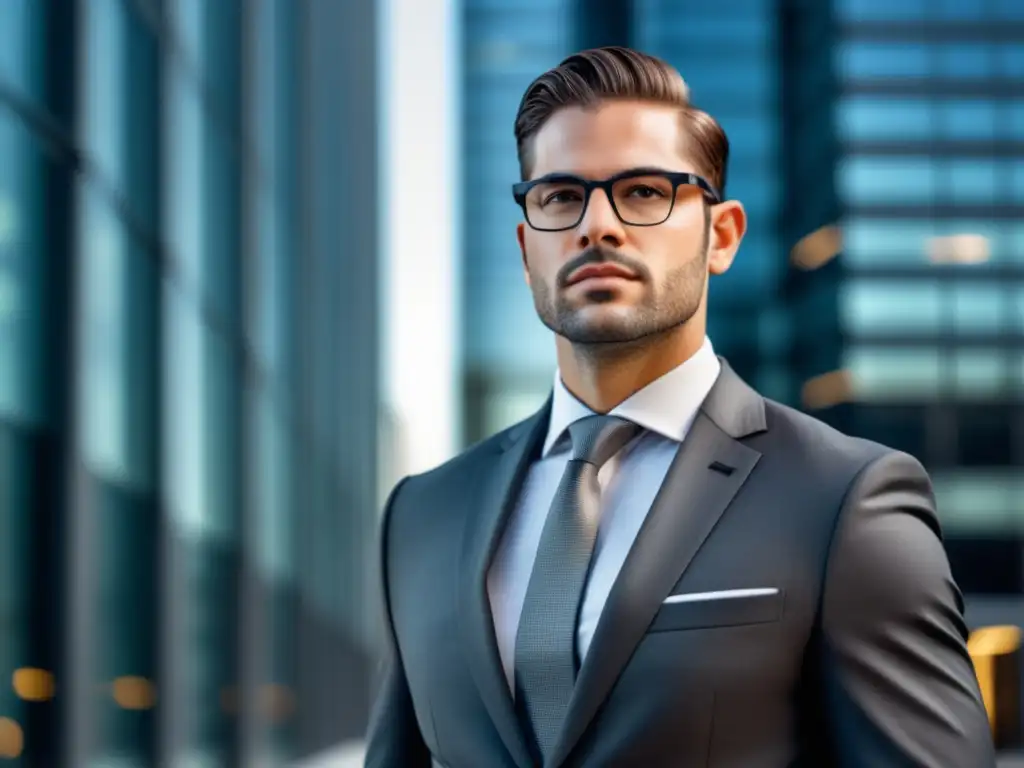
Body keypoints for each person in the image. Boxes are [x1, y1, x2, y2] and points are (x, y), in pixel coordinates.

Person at [364, 46, 995, 768]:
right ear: (525, 246)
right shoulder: (421, 515)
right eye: (560, 197)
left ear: (720, 236)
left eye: (642, 191)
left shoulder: (842, 501)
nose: (596, 225)